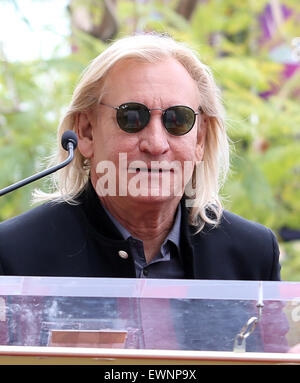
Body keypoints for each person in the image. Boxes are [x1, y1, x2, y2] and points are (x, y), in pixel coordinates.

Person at [0, 33, 281, 280]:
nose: (156, 144)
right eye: (131, 117)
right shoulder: (14, 253)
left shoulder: (252, 255)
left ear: (199, 138)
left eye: (178, 120)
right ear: (86, 132)